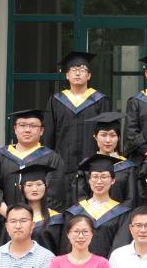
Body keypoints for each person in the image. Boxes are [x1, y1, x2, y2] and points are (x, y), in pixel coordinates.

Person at [42, 50, 111, 178]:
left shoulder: (100, 100)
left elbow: (108, 133)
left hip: (92, 167)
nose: (78, 73)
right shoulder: (56, 101)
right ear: (67, 75)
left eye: (82, 70)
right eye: (73, 70)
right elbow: (48, 134)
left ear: (89, 76)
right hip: (62, 166)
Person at [0, 108, 68, 211]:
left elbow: (55, 194)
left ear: (41, 131)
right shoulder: (0, 156)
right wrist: (10, 216)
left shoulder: (52, 158)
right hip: (4, 218)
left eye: (33, 126)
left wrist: (34, 218)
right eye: (22, 125)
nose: (27, 130)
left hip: (40, 219)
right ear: (15, 129)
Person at [62, 154, 133, 258]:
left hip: (109, 266)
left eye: (104, 177)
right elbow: (66, 247)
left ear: (113, 180)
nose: (99, 181)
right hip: (78, 265)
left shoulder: (122, 214)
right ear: (89, 180)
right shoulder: (74, 212)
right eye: (95, 177)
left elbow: (121, 246)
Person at [80, 112, 137, 205]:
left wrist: (118, 212)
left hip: (121, 214)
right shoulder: (86, 165)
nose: (108, 140)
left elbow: (131, 199)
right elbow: (81, 197)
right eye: (103, 135)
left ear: (119, 137)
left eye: (112, 135)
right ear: (95, 137)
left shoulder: (127, 166)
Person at [18, 163, 65, 255]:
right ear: (21, 188)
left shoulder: (57, 219)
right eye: (29, 185)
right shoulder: (14, 219)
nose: (34, 189)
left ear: (46, 186)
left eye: (39, 184)